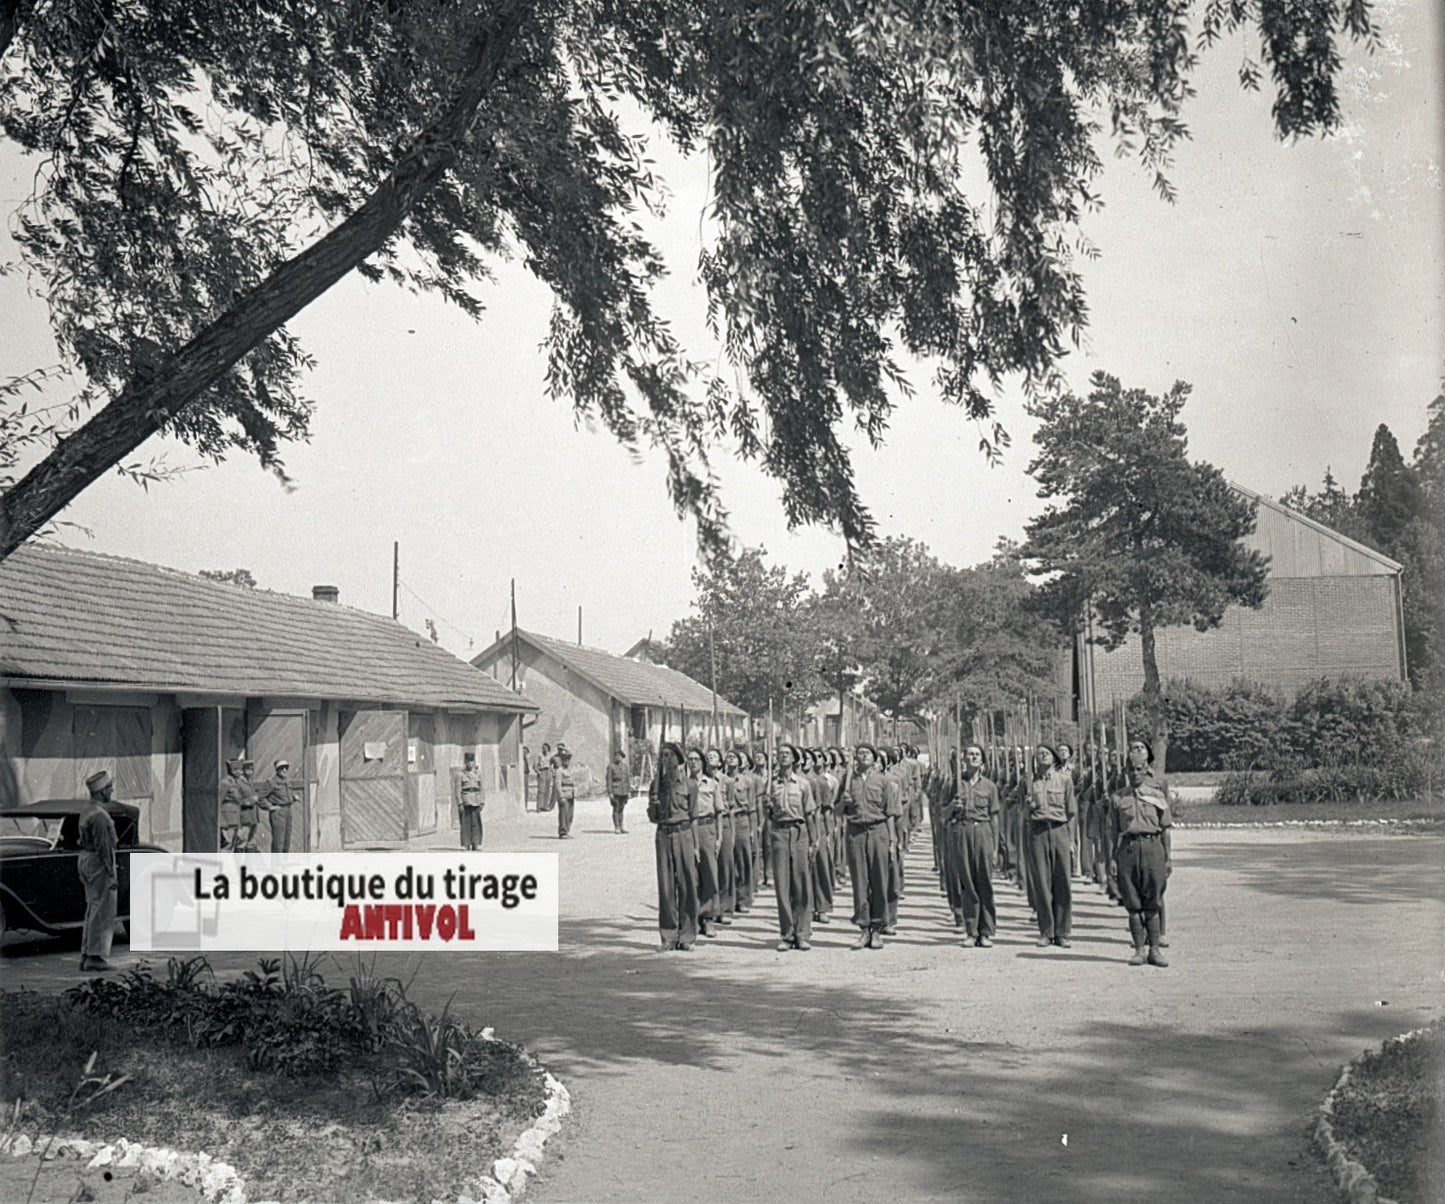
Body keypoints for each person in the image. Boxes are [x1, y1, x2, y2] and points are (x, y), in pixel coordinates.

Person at [1110, 737, 1173, 967]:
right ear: (1126, 771)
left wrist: (1168, 858)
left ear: (1146, 769)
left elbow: (1165, 829)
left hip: (1153, 848)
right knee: (1133, 902)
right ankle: (1138, 949)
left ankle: (1155, 950)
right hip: (1128, 850)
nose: (1135, 773)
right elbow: (1113, 832)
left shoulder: (1156, 795)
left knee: (1153, 901)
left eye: (1139, 769)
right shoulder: (1118, 798)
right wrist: (1112, 859)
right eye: (1131, 769)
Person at [946, 744, 1001, 947]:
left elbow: (994, 817)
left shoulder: (990, 787)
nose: (973, 757)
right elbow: (943, 813)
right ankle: (971, 931)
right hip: (962, 831)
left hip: (983, 832)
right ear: (964, 759)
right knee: (967, 883)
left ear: (982, 761)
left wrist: (995, 848)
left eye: (977, 754)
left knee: (984, 881)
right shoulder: (955, 784)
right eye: (970, 754)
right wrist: (953, 806)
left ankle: (985, 931)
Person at [842, 743, 895, 949]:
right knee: (859, 882)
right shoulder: (847, 781)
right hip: (856, 832)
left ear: (874, 759)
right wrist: (843, 803)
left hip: (878, 832)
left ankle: (877, 929)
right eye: (859, 753)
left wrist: (892, 842)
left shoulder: (883, 782)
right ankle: (864, 929)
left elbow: (890, 812)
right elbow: (838, 812)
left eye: (867, 753)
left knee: (879, 880)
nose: (863, 756)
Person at [649, 742, 699, 951]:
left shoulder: (690, 785)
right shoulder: (657, 785)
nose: (666, 759)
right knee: (666, 886)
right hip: (664, 834)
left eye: (670, 755)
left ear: (679, 760)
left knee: (687, 885)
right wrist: (653, 805)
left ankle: (687, 936)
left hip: (684, 833)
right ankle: (668, 936)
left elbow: (694, 816)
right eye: (663, 756)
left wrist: (695, 846)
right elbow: (652, 818)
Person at [768, 743, 817, 951]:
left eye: (787, 754)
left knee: (801, 884)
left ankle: (802, 933)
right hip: (779, 832)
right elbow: (768, 811)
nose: (783, 757)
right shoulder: (771, 784)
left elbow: (810, 814)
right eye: (780, 754)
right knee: (782, 886)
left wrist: (814, 841)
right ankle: (787, 934)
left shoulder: (803, 784)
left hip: (799, 833)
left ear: (795, 759)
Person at [1027, 743, 1076, 948]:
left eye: (1047, 753)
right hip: (1038, 832)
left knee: (1062, 881)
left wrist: (1072, 840)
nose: (1043, 756)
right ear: (1035, 760)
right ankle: (1046, 931)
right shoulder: (1029, 783)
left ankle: (1062, 932)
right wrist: (1027, 806)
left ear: (1054, 758)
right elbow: (1023, 814)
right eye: (1039, 754)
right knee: (1042, 883)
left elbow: (1071, 812)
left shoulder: (1065, 780)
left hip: (1059, 831)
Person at [78, 770, 120, 973]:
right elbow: (104, 847)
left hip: (87, 859)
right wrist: (111, 873)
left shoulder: (88, 810)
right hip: (98, 862)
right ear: (103, 792)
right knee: (102, 910)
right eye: (109, 788)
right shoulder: (99, 817)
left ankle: (87, 953)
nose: (112, 791)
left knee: (92, 907)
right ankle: (95, 956)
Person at [689, 747, 723, 937]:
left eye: (696, 759)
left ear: (702, 762)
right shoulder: (684, 784)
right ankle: (694, 917)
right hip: (689, 830)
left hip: (707, 828)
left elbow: (719, 811)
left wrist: (719, 837)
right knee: (692, 875)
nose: (693, 763)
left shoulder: (712, 784)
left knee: (709, 873)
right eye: (690, 759)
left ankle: (708, 918)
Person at [726, 749, 755, 913]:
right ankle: (729, 900)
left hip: (741, 820)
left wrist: (751, 828)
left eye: (734, 757)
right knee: (727, 861)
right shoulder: (721, 780)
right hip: (726, 821)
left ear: (740, 762)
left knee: (743, 861)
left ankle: (742, 899)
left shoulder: (747, 782)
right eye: (728, 757)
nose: (730, 759)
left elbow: (751, 807)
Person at [262, 758, 301, 853]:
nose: (284, 770)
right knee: (278, 841)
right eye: (281, 768)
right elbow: (260, 797)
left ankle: (283, 864)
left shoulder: (287, 781)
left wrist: (294, 798)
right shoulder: (271, 782)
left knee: (286, 841)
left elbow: (285, 796)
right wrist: (270, 807)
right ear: (277, 770)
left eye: (286, 768)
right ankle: (276, 866)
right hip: (278, 814)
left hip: (288, 811)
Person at [219, 756, 247, 851]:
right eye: (238, 770)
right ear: (232, 770)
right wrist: (220, 821)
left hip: (235, 817)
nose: (241, 772)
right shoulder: (225, 783)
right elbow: (219, 801)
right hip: (227, 819)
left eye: (241, 769)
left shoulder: (237, 782)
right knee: (228, 845)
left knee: (234, 844)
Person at [458, 753, 485, 850]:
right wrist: (459, 803)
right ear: (465, 762)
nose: (470, 763)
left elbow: (482, 788)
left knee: (476, 823)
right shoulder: (461, 774)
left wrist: (482, 801)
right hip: (465, 801)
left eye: (472, 761)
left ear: (474, 762)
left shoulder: (478, 773)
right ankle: (466, 844)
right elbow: (457, 790)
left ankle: (476, 843)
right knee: (465, 824)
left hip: (476, 800)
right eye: (468, 761)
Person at [606, 748, 632, 834]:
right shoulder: (611, 767)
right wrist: (610, 792)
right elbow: (609, 780)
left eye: (619, 756)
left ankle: (621, 826)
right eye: (616, 756)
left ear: (622, 757)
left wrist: (629, 791)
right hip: (616, 791)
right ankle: (617, 827)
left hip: (624, 791)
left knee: (622, 809)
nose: (617, 757)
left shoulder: (625, 767)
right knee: (616, 808)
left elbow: (627, 780)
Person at [554, 749, 577, 838]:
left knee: (569, 815)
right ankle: (562, 832)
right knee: (563, 814)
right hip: (564, 796)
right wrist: (560, 796)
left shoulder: (568, 770)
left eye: (568, 760)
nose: (567, 762)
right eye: (565, 760)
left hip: (570, 795)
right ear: (562, 761)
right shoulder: (559, 770)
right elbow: (557, 784)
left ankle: (567, 830)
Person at [536, 742, 555, 813]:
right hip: (542, 771)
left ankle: (544, 806)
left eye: (546, 748)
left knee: (547, 790)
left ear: (548, 748)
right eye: (544, 748)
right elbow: (535, 765)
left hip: (548, 772)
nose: (545, 749)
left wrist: (552, 771)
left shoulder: (550, 756)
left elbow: (553, 764)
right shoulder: (539, 755)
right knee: (541, 790)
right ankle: (538, 807)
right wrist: (538, 772)